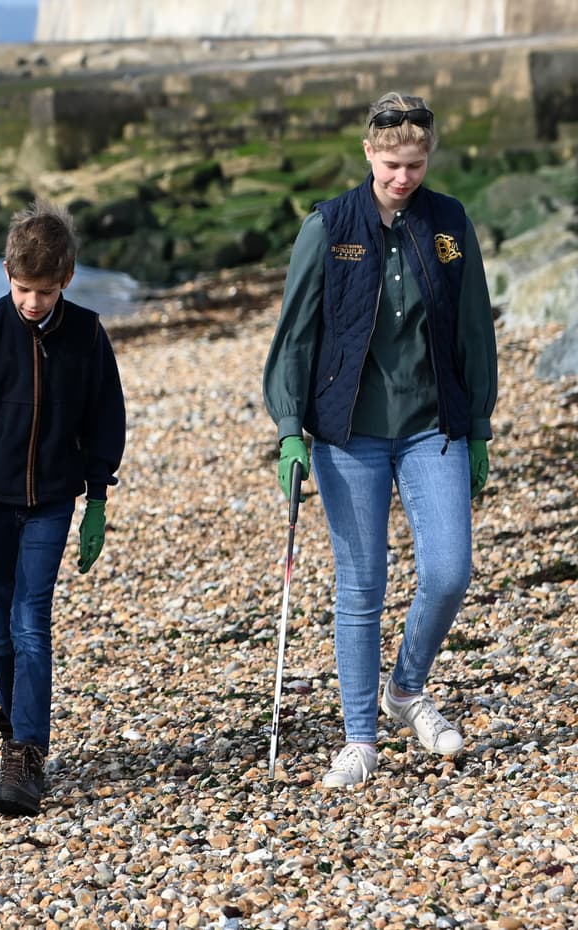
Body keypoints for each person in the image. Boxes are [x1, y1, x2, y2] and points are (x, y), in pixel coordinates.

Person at [263, 92, 498, 788]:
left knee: (450, 571)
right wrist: (289, 429)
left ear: (429, 157)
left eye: (415, 164)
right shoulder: (328, 226)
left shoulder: (450, 224)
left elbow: (474, 327)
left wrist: (480, 427)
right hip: (347, 433)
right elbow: (295, 334)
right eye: (392, 164)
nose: (403, 177)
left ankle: (406, 688)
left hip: (433, 425)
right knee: (361, 585)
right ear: (368, 152)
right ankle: (359, 739)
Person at [0, 200, 126, 816]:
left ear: (67, 279)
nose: (33, 302)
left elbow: (105, 419)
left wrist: (97, 499)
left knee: (31, 618)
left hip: (53, 501)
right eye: (23, 289)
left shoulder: (87, 335)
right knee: (1, 623)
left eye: (45, 291)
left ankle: (28, 753)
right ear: (6, 273)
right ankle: (14, 724)